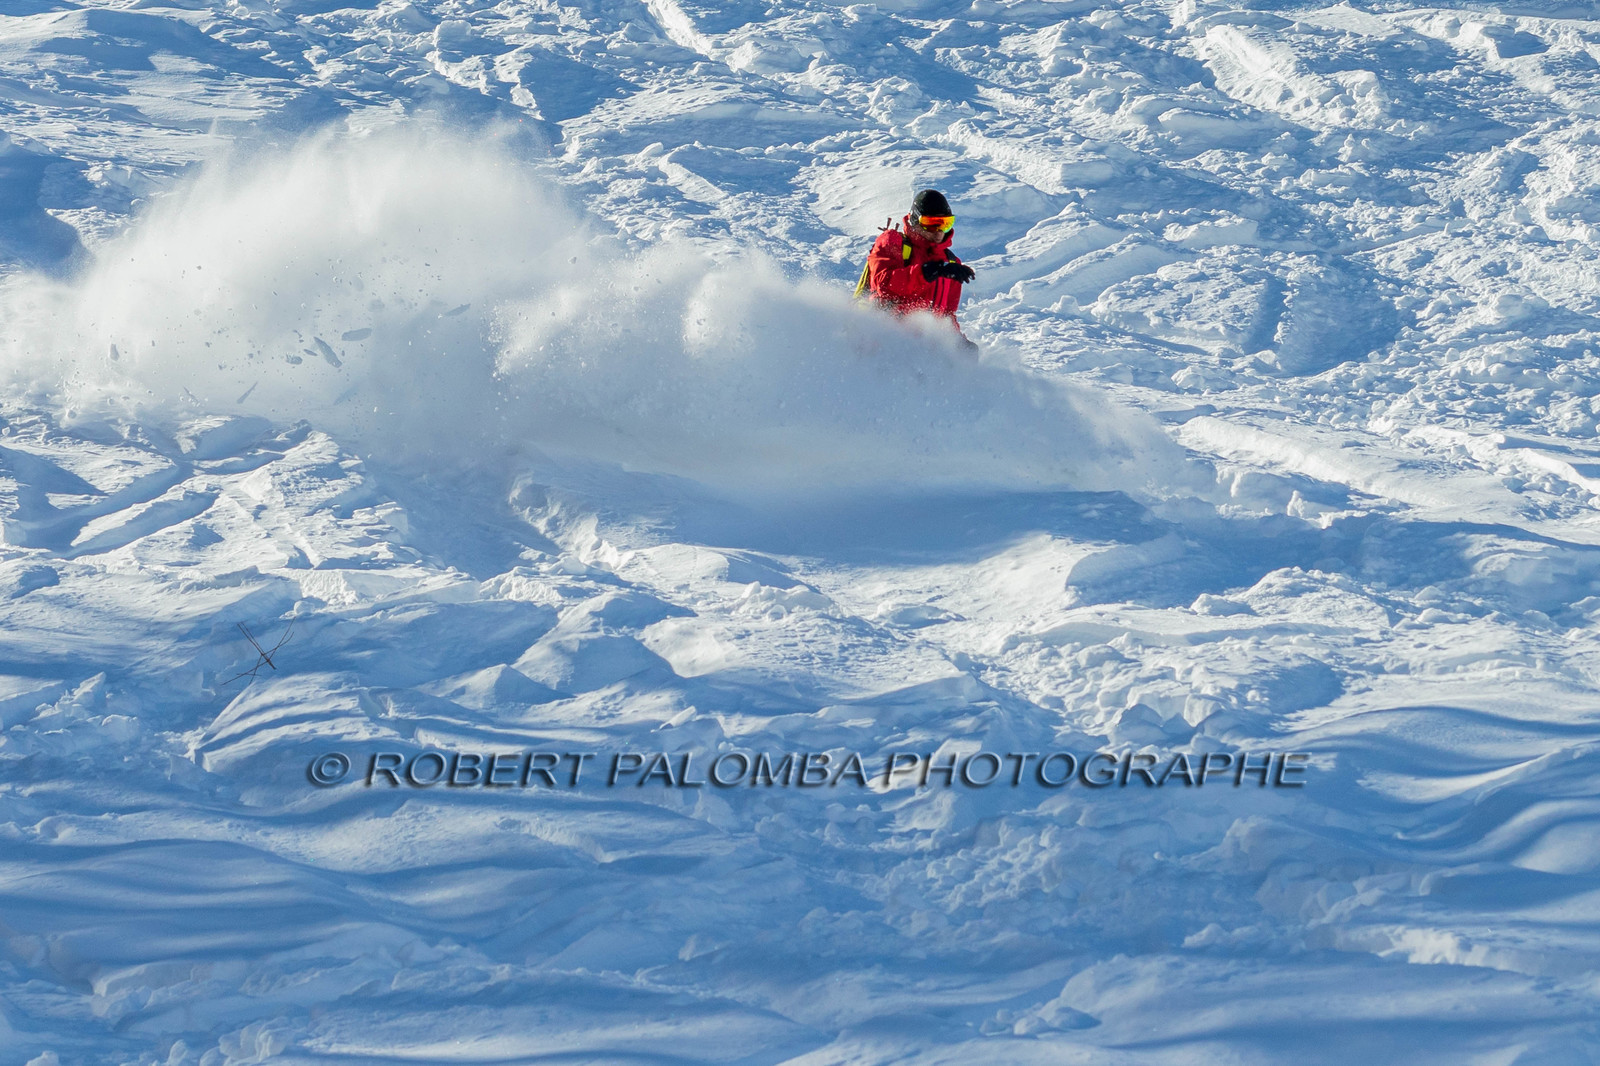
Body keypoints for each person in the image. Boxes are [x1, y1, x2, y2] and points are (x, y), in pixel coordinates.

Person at [856, 189, 977, 332]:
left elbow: (946, 316)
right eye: (931, 223)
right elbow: (883, 284)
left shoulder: (951, 263)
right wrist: (926, 272)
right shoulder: (893, 242)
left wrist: (958, 343)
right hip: (880, 336)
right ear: (915, 220)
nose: (939, 231)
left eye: (945, 223)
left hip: (920, 346)